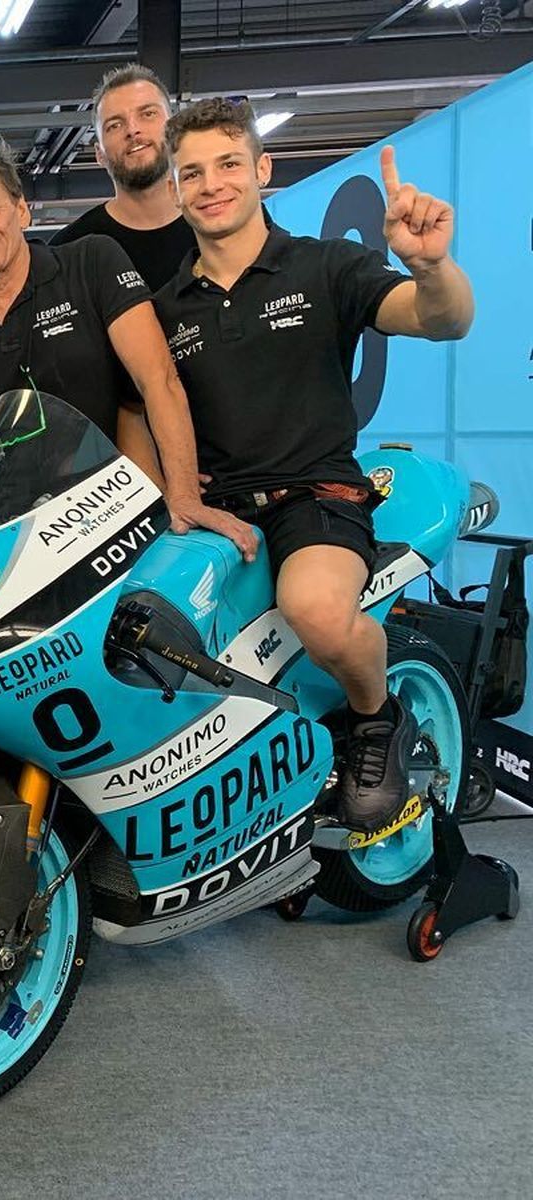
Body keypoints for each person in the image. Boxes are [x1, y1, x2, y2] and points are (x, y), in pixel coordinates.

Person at [154, 98, 474, 830]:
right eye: (192, 173)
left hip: (316, 498)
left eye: (229, 164)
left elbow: (442, 319)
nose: (211, 184)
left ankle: (377, 719)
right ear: (175, 189)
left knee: (318, 613)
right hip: (214, 514)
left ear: (262, 169)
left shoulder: (326, 266)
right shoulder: (166, 305)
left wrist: (431, 268)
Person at [0, 141, 253, 557]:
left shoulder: (92, 262)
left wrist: (181, 496)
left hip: (101, 517)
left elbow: (157, 380)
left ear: (21, 211)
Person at [51, 63, 198, 291]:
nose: (132, 130)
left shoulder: (217, 225)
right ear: (99, 154)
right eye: (114, 125)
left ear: (175, 130)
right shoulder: (68, 252)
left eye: (147, 114)